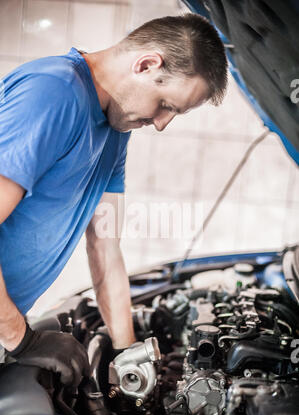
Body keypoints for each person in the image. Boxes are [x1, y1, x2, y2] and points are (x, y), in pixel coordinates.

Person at [0, 14, 227, 387]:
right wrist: (22, 340)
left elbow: (105, 246)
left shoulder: (115, 130)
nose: (161, 123)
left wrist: (128, 353)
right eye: (166, 104)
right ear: (146, 64)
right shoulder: (53, 94)